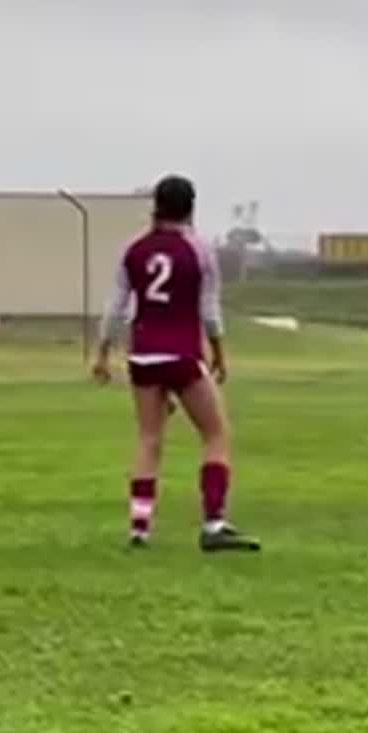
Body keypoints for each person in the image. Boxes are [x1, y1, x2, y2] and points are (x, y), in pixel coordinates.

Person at [91, 175, 258, 552]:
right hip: (181, 353)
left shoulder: (134, 250)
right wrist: (218, 350)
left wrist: (102, 353)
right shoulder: (197, 251)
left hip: (143, 354)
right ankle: (214, 522)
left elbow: (115, 307)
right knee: (216, 433)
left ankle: (139, 526)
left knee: (149, 439)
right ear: (191, 208)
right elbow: (208, 308)